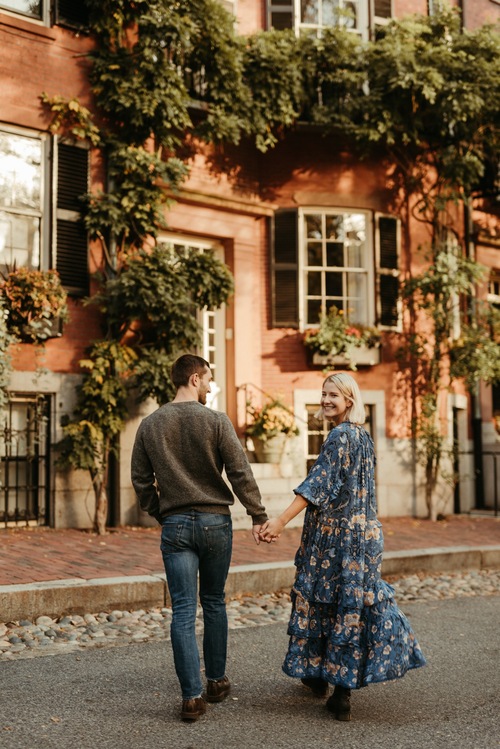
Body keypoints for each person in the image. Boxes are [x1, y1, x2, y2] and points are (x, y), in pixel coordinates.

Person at [259, 371, 426, 721]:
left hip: (336, 538)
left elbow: (316, 486)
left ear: (350, 400)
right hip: (364, 537)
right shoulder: (363, 437)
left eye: (333, 395)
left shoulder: (339, 437)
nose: (325, 400)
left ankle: (328, 682)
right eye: (323, 394)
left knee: (325, 602)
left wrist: (279, 521)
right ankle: (335, 687)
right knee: (349, 606)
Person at [131, 354, 268, 722]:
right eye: (208, 379)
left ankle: (191, 698)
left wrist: (160, 512)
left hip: (175, 524)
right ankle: (217, 681)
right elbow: (240, 472)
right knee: (213, 602)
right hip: (215, 523)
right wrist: (258, 514)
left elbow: (141, 480)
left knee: (182, 610)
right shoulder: (216, 421)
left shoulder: (150, 425)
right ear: (194, 378)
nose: (210, 386)